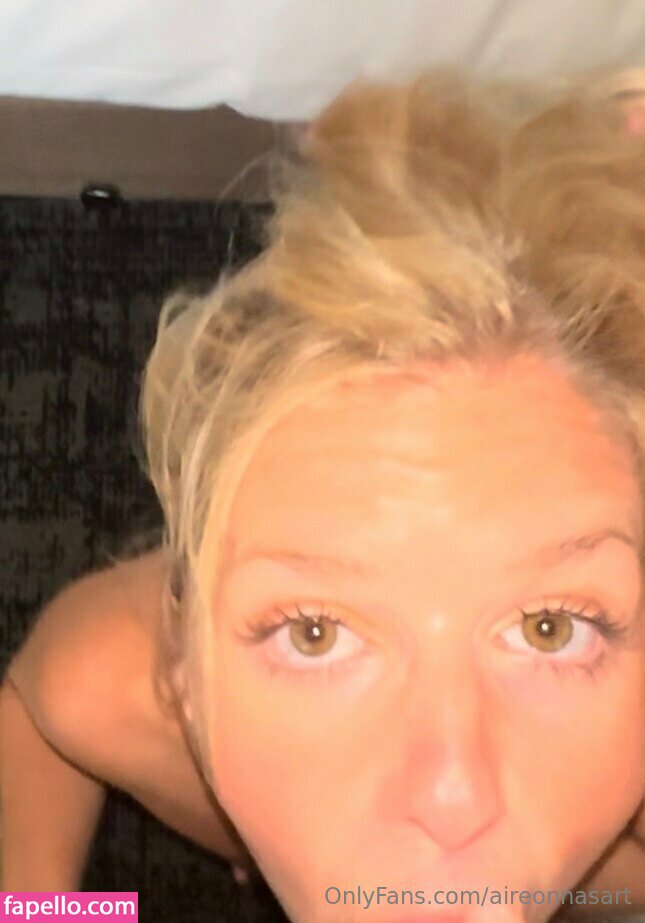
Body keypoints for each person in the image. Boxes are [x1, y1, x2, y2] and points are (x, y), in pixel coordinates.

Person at [1, 66, 645, 923]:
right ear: (185, 671)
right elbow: (37, 715)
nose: (450, 798)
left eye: (549, 627)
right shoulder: (109, 683)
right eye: (314, 633)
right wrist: (51, 912)